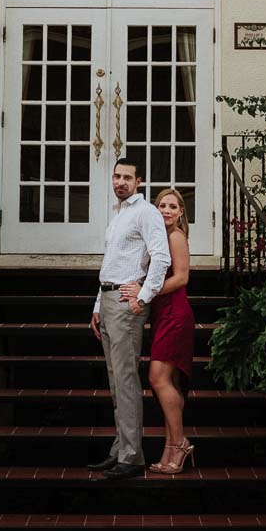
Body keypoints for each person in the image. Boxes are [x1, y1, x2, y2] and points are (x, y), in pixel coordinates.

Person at [86, 158, 171, 481]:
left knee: (125, 380)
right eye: (116, 176)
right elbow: (111, 263)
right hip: (108, 300)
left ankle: (133, 456)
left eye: (127, 178)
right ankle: (120, 449)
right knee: (115, 380)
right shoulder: (120, 214)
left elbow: (160, 257)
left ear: (139, 181)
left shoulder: (145, 212)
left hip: (125, 305)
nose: (120, 182)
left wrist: (144, 296)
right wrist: (97, 304)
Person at [120, 187, 195, 474]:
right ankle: (170, 449)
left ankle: (180, 443)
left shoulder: (176, 237)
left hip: (176, 315)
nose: (166, 210)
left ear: (180, 212)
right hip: (163, 315)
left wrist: (145, 294)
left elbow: (181, 278)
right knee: (169, 384)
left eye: (172, 206)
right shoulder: (158, 238)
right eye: (161, 205)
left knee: (157, 378)